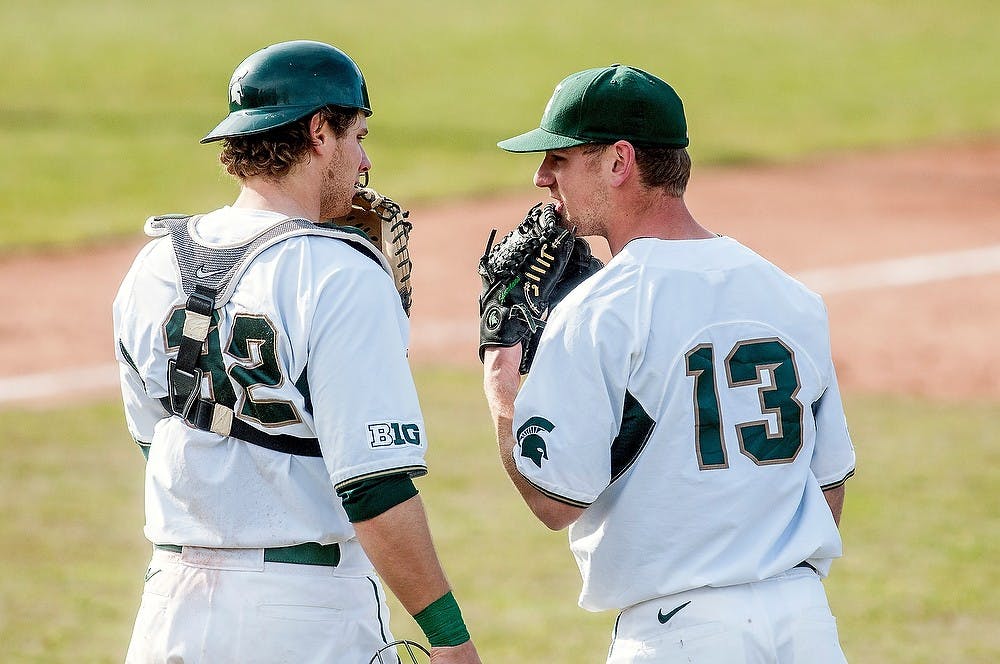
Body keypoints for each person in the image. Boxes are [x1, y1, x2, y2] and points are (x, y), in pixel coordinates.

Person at [114, 40, 480, 663]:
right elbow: (374, 489)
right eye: (358, 135)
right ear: (319, 131)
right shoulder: (337, 271)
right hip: (302, 615)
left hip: (169, 611)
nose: (364, 161)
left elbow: (156, 442)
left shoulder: (152, 266)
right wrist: (450, 641)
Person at [482, 64, 856, 663]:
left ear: (618, 162)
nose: (542, 176)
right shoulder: (790, 296)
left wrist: (502, 377)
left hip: (682, 635)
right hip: (805, 625)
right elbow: (828, 485)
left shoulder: (601, 311)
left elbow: (554, 500)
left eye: (561, 157)